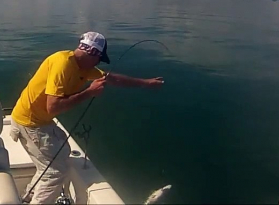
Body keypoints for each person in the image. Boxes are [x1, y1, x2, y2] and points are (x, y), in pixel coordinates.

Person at [10, 32, 164, 204]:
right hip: (31, 123)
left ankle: (30, 195)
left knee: (60, 153)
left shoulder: (82, 66)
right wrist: (89, 92)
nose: (98, 63)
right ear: (93, 53)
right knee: (55, 172)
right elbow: (53, 106)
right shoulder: (63, 64)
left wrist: (146, 83)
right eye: (99, 59)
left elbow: (112, 79)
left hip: (38, 120)